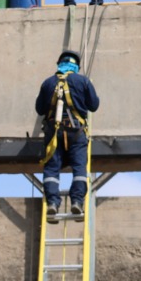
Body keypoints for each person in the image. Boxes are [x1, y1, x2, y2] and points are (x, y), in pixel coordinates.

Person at [34, 48, 99, 219]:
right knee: (79, 168)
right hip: (76, 132)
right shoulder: (83, 81)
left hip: (53, 133)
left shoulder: (48, 83)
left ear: (59, 64)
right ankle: (77, 202)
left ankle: (53, 203)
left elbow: (40, 109)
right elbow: (94, 105)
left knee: (52, 168)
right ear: (76, 65)